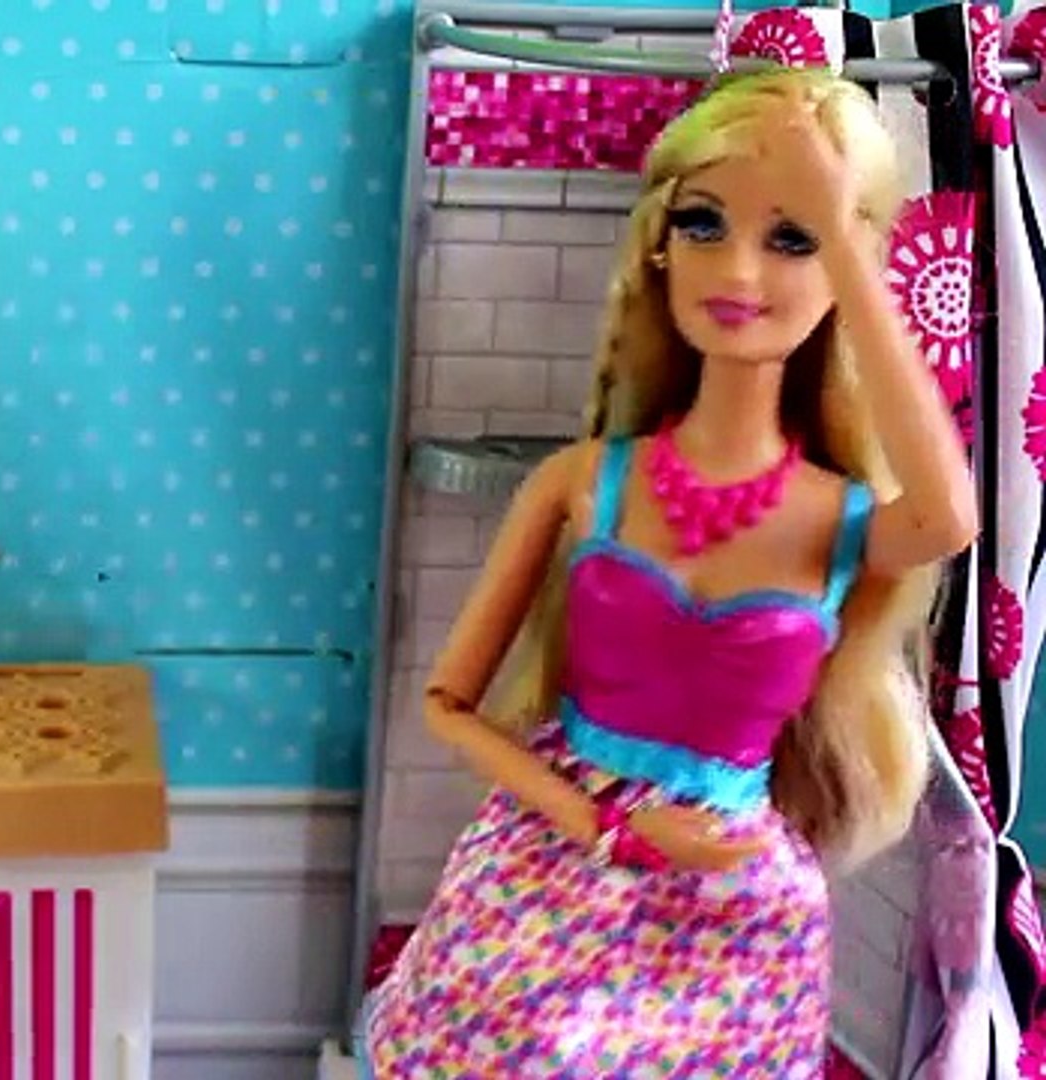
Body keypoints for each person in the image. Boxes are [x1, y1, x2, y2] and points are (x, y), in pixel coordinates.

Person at [361, 66, 978, 1077]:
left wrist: (846, 244)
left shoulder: (839, 520)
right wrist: (603, 826)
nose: (738, 271)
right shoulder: (581, 483)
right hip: (551, 861)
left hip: (734, 907)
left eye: (791, 239)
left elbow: (949, 518)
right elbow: (447, 704)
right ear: (659, 243)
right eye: (703, 223)